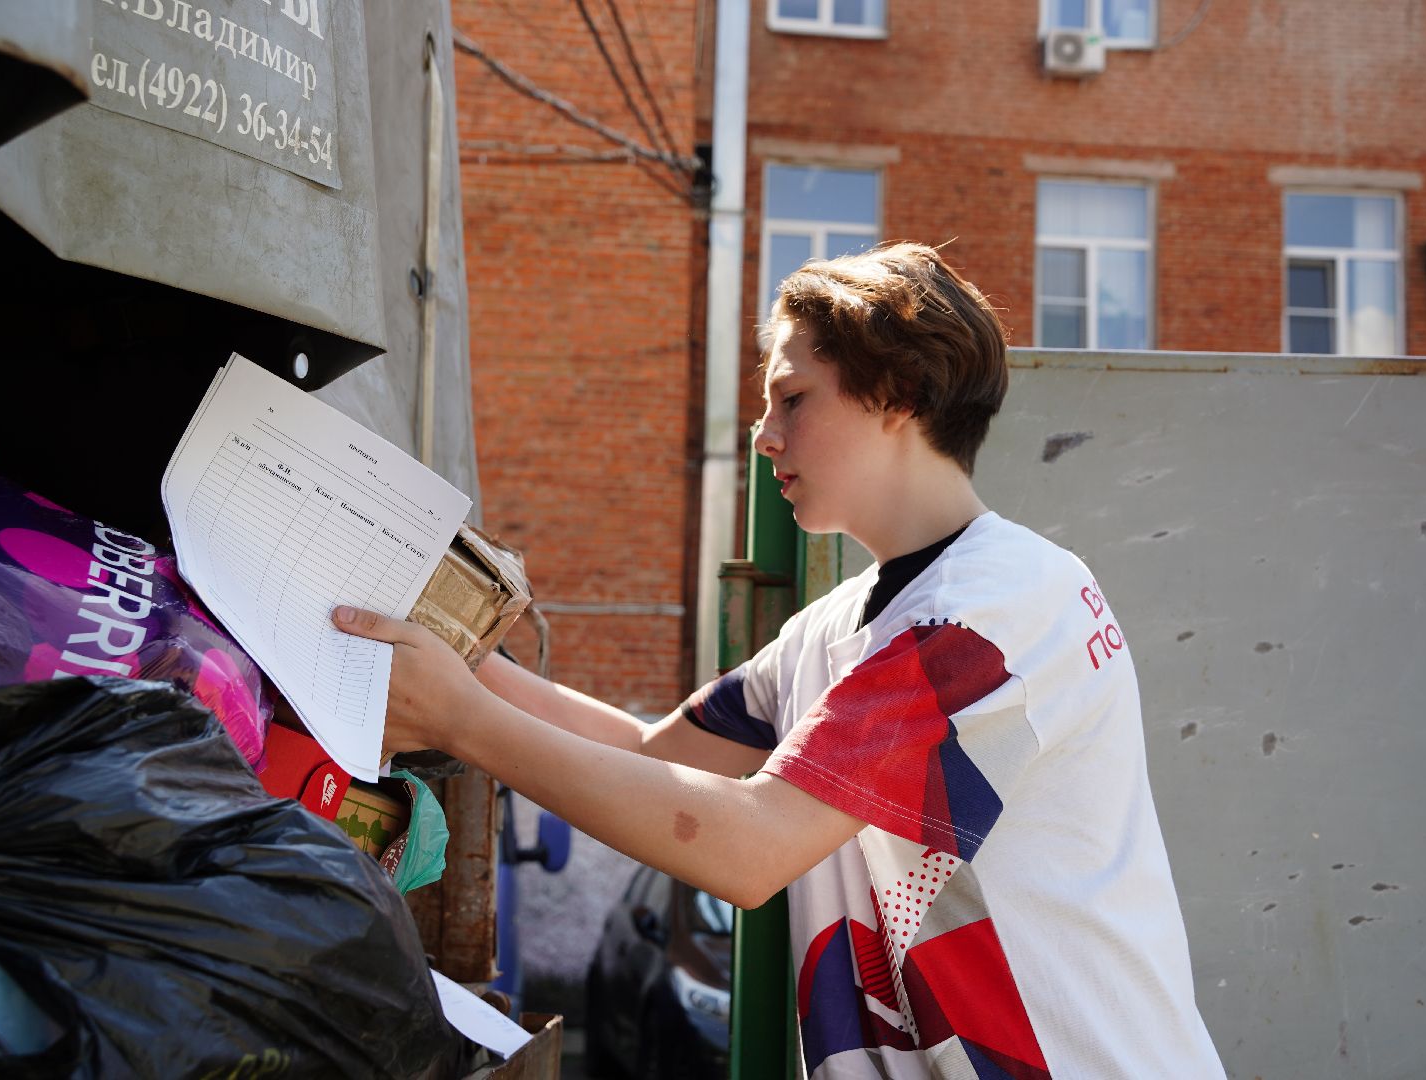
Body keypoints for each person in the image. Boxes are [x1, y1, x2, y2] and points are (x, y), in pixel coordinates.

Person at [333, 242, 1223, 1079]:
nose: (764, 436)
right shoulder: (838, 628)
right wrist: (444, 653)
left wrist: (458, 715)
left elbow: (750, 847)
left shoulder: (991, 614)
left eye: (793, 400)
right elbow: (651, 760)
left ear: (899, 393)